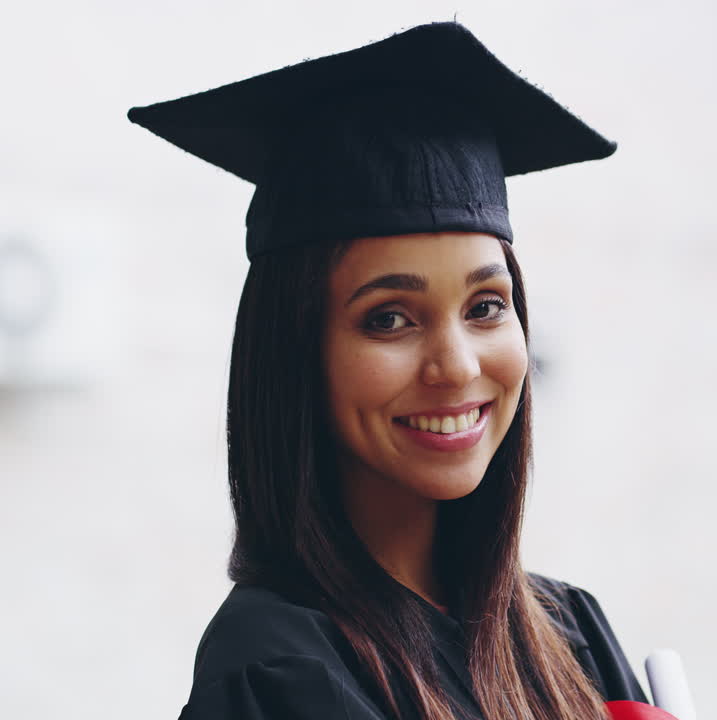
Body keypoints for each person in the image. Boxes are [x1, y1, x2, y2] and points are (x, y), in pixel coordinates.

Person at [129, 23, 647, 720]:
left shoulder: (570, 633)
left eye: (486, 306)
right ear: (296, 355)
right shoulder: (276, 671)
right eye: (389, 319)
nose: (456, 365)